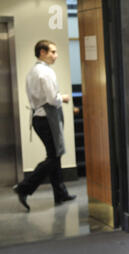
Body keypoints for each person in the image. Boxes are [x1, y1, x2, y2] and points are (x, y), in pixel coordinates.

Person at [13, 40, 76, 212]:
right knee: (54, 156)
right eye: (53, 52)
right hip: (47, 118)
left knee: (54, 155)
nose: (55, 56)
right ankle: (24, 187)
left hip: (38, 118)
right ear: (42, 52)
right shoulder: (45, 73)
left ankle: (60, 193)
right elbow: (52, 99)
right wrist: (63, 98)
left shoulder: (33, 72)